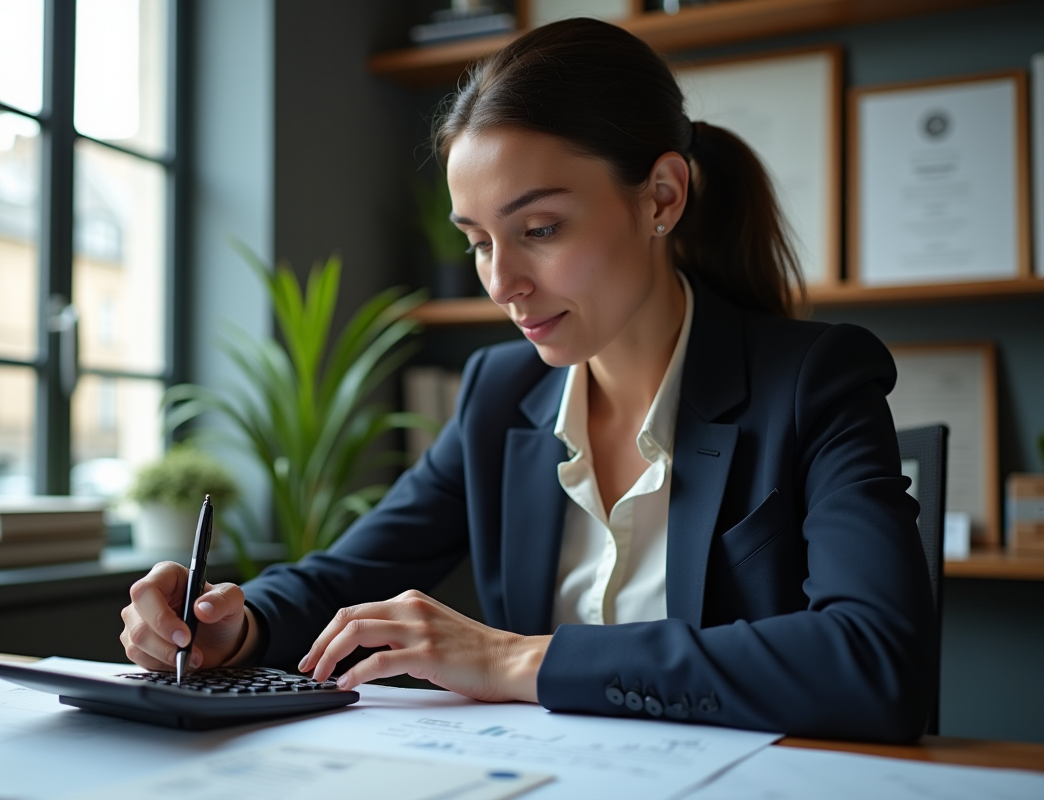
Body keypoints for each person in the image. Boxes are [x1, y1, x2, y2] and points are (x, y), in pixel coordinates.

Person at [120, 18, 933, 742]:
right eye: (477, 240)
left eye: (539, 229)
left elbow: (875, 657)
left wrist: (519, 661)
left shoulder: (813, 380)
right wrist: (237, 625)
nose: (501, 282)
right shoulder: (498, 394)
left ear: (661, 197)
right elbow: (347, 574)